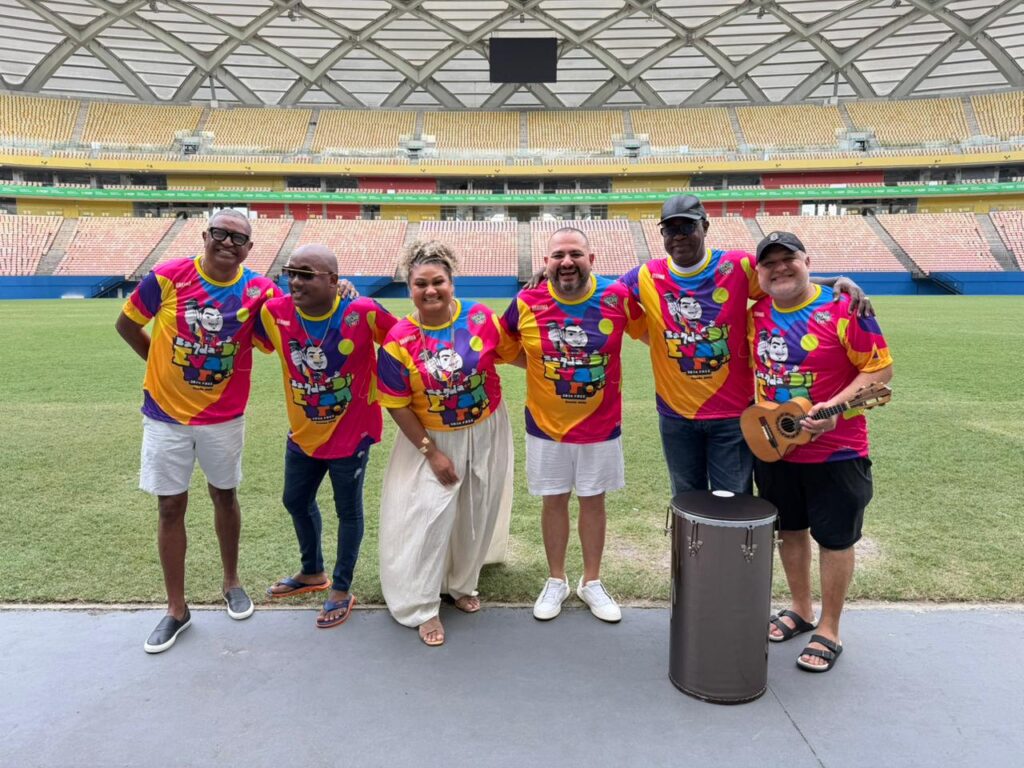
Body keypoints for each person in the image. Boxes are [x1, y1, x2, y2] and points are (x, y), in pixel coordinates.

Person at [619, 194, 873, 497]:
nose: (678, 236)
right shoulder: (645, 275)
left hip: (733, 416)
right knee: (685, 499)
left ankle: (728, 547)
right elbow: (602, 297)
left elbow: (781, 276)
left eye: (686, 227)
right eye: (670, 230)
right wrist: (546, 281)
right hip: (676, 417)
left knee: (734, 501)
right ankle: (687, 548)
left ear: (705, 227)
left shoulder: (735, 265)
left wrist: (836, 280)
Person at [115, 209, 274, 653]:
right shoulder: (168, 277)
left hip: (224, 417)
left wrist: (341, 289)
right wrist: (157, 365)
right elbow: (127, 324)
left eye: (238, 238)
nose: (228, 242)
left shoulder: (260, 290)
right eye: (220, 233)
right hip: (165, 415)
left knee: (225, 495)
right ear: (205, 235)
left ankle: (231, 582)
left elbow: (288, 325)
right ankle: (176, 610)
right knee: (170, 507)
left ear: (249, 248)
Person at [750, 231, 893, 673]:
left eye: (788, 259)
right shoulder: (754, 312)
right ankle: (800, 607)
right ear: (759, 273)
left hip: (837, 453)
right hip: (775, 448)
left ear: (806, 260)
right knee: (789, 532)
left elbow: (880, 371)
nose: (779, 268)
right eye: (769, 263)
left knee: (834, 540)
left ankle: (829, 627)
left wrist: (837, 409)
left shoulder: (844, 308)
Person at [502, 228, 646, 623]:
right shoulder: (526, 301)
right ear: (545, 262)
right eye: (558, 255)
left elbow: (653, 334)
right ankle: (557, 579)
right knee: (553, 500)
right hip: (545, 426)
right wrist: (541, 367)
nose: (567, 262)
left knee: (594, 501)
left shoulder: (617, 298)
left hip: (600, 425)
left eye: (575, 254)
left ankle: (592, 581)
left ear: (591, 259)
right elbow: (502, 345)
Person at [376, 241, 516, 647]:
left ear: (452, 283)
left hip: (486, 428)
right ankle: (421, 604)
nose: (431, 290)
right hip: (430, 437)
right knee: (426, 519)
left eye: (438, 281)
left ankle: (461, 583)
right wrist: (432, 453)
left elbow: (514, 352)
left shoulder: (479, 317)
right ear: (409, 288)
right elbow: (397, 405)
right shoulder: (399, 341)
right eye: (421, 284)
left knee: (476, 509)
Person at [254, 244, 396, 629]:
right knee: (294, 500)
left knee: (347, 511)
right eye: (291, 272)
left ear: (334, 280)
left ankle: (341, 587)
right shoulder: (273, 312)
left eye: (307, 274)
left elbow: (406, 340)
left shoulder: (362, 312)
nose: (295, 281)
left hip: (352, 436)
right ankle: (312, 572)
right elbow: (243, 311)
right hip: (303, 434)